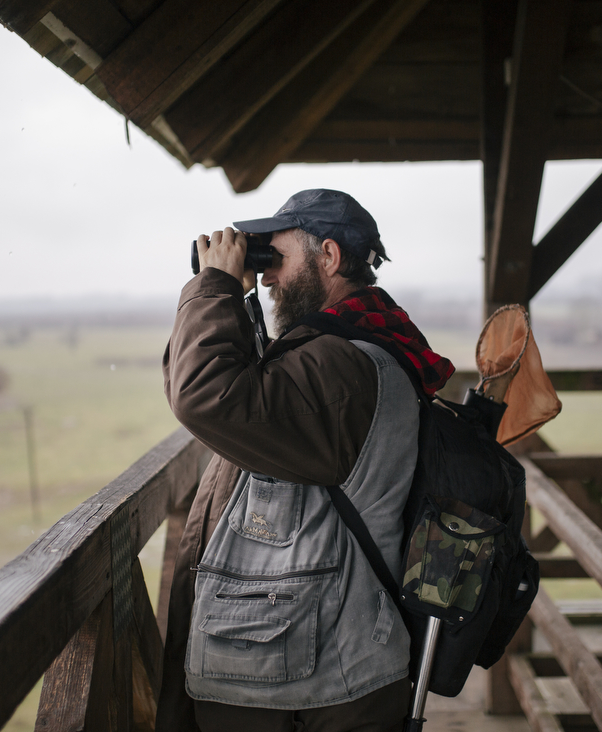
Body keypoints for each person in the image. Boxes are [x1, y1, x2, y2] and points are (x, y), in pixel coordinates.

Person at [158, 189, 455, 732]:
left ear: (330, 257)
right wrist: (233, 297)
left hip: (312, 679)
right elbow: (242, 387)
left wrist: (217, 285)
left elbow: (204, 395)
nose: (266, 276)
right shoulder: (354, 347)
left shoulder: (344, 365)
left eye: (276, 257)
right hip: (316, 660)